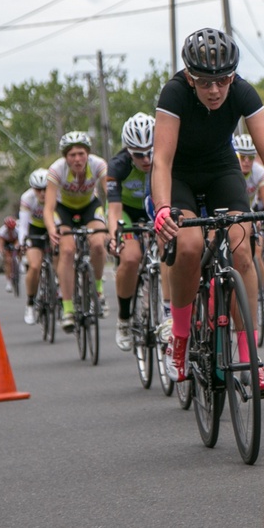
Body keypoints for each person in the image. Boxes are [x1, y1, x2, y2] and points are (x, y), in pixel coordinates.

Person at [151, 27, 264, 394]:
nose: (215, 90)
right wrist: (164, 208)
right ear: (190, 77)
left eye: (223, 81)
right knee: (187, 247)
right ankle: (181, 339)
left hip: (221, 170)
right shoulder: (174, 92)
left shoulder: (244, 91)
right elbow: (162, 161)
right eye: (205, 83)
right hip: (181, 176)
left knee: (241, 246)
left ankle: (251, 360)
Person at [43, 131, 109, 332]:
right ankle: (68, 309)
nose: (77, 159)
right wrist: (52, 229)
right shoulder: (56, 170)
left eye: (81, 154)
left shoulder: (98, 165)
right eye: (72, 155)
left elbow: (111, 195)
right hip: (65, 211)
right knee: (68, 250)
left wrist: (112, 223)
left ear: (87, 154)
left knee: (98, 243)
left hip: (90, 207)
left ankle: (97, 289)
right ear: (65, 157)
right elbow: (48, 207)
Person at [106, 112, 156, 351]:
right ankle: (124, 320)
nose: (146, 159)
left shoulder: (166, 157)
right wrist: (114, 236)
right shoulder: (118, 165)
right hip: (127, 211)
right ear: (128, 151)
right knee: (131, 257)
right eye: (139, 154)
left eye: (150, 151)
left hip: (155, 208)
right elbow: (114, 211)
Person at [234, 132, 264, 323]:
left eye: (250, 157)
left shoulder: (259, 172)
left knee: (257, 251)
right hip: (230, 209)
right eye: (241, 157)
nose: (246, 161)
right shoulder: (230, 169)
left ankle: (259, 301)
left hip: (249, 209)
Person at [20, 168, 50, 324]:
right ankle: (30, 303)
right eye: (39, 190)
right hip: (35, 229)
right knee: (35, 266)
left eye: (46, 189)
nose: (43, 193)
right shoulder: (27, 198)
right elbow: (23, 226)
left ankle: (59, 292)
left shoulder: (57, 194)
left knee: (63, 257)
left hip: (53, 227)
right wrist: (22, 242)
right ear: (33, 189)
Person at [0, 217, 19, 293]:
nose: (11, 230)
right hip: (6, 242)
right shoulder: (2, 231)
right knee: (8, 260)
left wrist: (17, 247)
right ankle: (9, 283)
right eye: (9, 228)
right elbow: (1, 244)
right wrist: (2, 251)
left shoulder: (18, 230)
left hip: (15, 240)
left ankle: (18, 263)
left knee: (20, 249)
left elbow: (19, 241)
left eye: (12, 228)